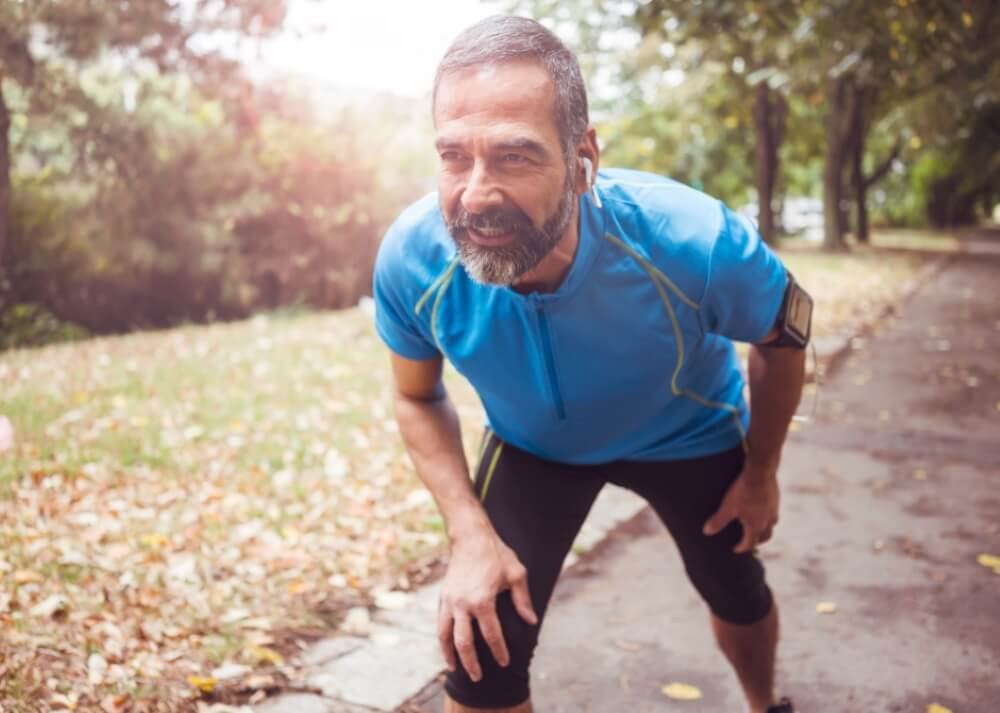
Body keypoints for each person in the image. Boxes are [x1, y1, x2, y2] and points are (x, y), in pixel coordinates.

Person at [372, 15, 810, 713]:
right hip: (533, 447)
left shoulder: (695, 241)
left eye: (515, 157)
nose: (477, 194)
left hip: (684, 434)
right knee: (483, 647)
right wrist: (467, 531)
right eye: (455, 156)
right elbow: (417, 397)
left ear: (584, 159)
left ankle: (765, 704)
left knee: (734, 584)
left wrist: (761, 473)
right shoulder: (412, 258)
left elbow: (785, 337)